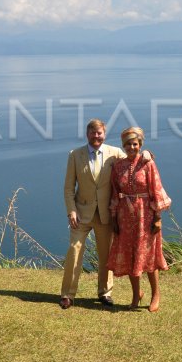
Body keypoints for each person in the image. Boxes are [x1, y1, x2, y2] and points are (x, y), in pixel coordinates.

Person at [60, 119, 149, 310]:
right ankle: (68, 294)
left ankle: (105, 293)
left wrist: (147, 153)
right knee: (74, 251)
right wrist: (71, 211)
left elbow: (134, 157)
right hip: (81, 214)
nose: (96, 136)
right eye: (93, 132)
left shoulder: (115, 153)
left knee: (106, 255)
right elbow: (68, 188)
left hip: (106, 214)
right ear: (87, 134)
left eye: (99, 133)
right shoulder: (75, 155)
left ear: (104, 134)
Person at [107, 126, 171, 312]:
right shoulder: (118, 166)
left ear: (140, 144)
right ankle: (136, 295)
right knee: (130, 255)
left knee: (149, 256)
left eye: (134, 144)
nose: (131, 147)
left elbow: (156, 189)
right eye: (127, 144)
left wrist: (157, 218)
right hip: (125, 216)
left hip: (146, 215)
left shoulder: (148, 164)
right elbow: (114, 192)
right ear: (123, 146)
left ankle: (155, 294)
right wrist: (114, 219)